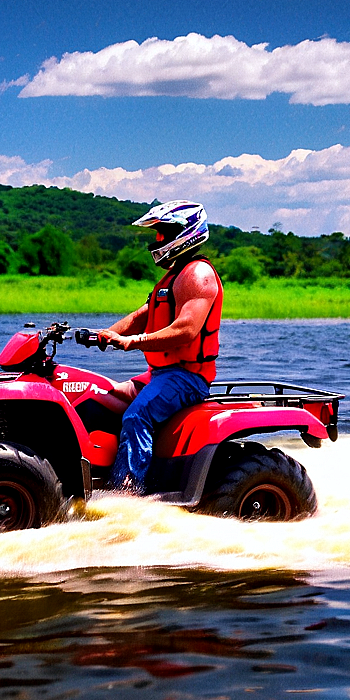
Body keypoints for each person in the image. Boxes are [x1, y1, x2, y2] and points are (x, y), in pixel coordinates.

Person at [98, 200, 223, 493]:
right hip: (162, 374)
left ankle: (126, 494)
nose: (157, 241)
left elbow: (186, 329)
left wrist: (132, 342)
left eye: (162, 234)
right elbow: (142, 316)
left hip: (186, 377)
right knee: (104, 394)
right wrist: (103, 334)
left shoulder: (198, 275)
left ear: (184, 233)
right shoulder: (173, 276)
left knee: (136, 415)